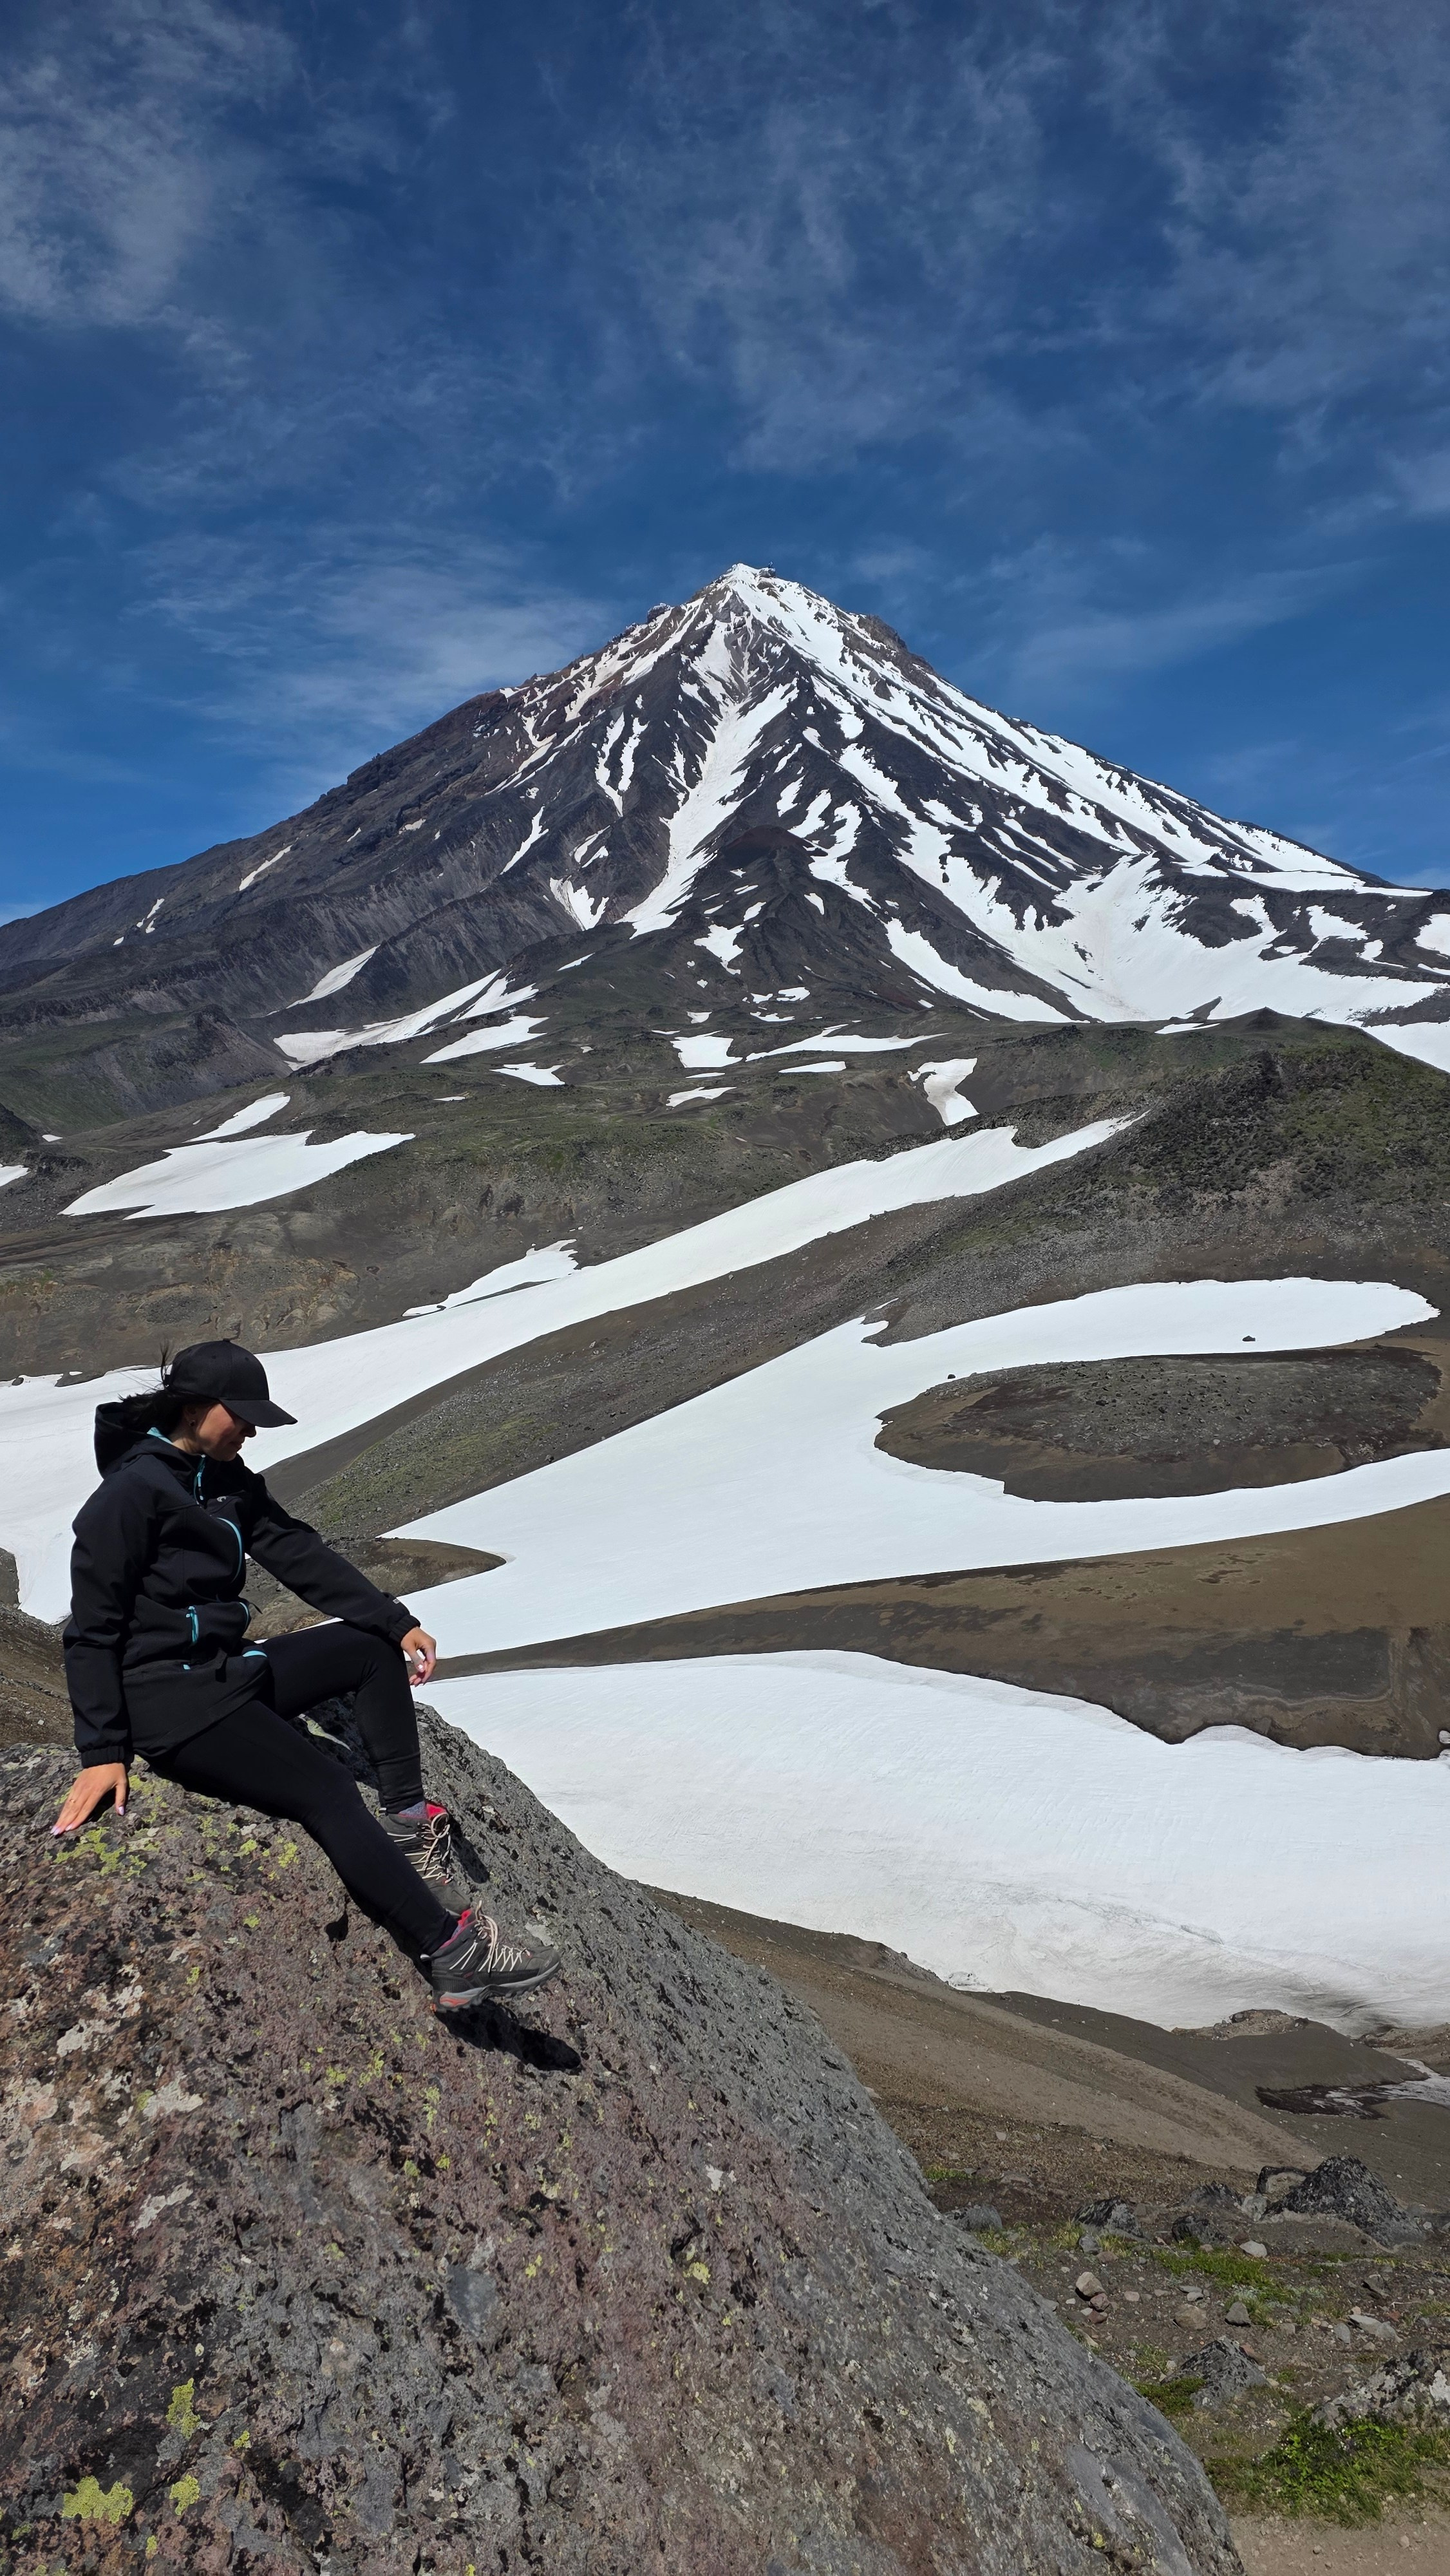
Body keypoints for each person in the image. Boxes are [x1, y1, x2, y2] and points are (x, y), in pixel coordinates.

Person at [52, 1338, 558, 2014]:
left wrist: (393, 1620)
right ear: (196, 1408)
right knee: (326, 1791)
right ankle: (450, 1952)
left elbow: (295, 1551)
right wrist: (103, 1751)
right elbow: (91, 1631)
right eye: (242, 1416)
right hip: (173, 1705)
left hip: (226, 1673)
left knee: (368, 1649)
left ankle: (407, 1823)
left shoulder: (225, 1477)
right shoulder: (129, 1495)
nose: (252, 1430)